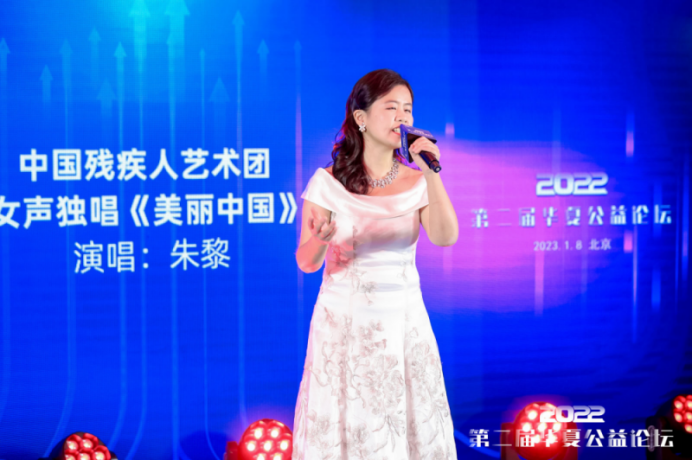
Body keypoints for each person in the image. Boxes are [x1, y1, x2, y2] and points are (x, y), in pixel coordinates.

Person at [292, 69, 459, 460]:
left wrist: (432, 173)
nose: (402, 117)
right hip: (344, 326)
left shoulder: (418, 181)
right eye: (391, 108)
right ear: (361, 118)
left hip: (404, 324)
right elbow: (306, 262)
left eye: (408, 109)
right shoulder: (327, 183)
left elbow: (445, 236)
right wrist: (321, 238)